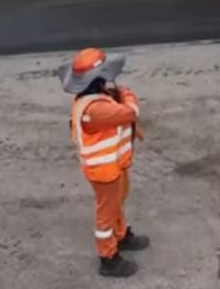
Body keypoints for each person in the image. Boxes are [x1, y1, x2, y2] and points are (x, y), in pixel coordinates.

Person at [59, 47, 150, 278]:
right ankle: (108, 258)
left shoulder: (95, 98)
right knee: (106, 212)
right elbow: (131, 112)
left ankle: (120, 236)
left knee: (118, 201)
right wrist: (126, 92)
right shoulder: (98, 109)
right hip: (104, 170)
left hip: (114, 164)